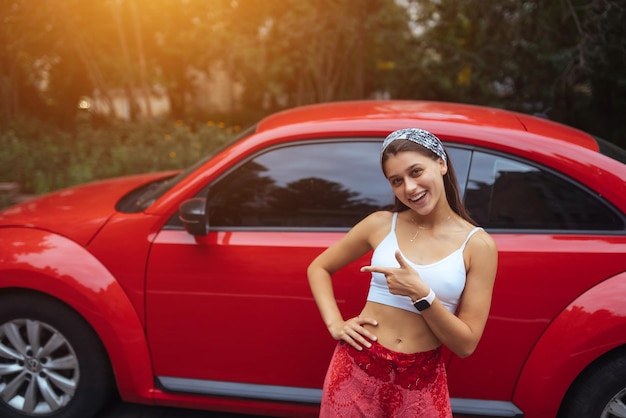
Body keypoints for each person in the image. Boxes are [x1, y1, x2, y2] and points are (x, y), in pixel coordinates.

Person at [307, 128, 498, 417]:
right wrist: (335, 324)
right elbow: (319, 267)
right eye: (397, 181)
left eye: (416, 171)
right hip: (357, 367)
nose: (409, 187)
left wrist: (422, 295)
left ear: (442, 164)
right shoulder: (381, 224)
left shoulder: (478, 245)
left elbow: (465, 345)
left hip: (420, 381)